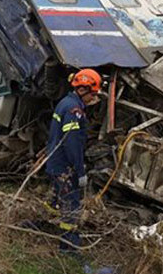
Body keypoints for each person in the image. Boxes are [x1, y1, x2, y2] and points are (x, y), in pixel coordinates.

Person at [45, 68, 102, 252]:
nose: (93, 98)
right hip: (64, 167)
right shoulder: (74, 110)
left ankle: (37, 227)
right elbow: (72, 143)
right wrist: (80, 171)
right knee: (71, 207)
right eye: (92, 94)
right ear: (83, 90)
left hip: (55, 162)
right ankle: (68, 249)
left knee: (54, 202)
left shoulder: (65, 103)